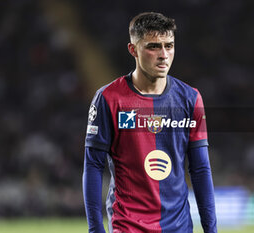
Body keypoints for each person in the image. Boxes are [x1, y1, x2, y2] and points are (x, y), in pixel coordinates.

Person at [83, 12, 217, 233]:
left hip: (178, 227)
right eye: (154, 46)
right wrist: (96, 230)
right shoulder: (108, 99)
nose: (164, 55)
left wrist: (211, 230)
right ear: (133, 49)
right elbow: (93, 165)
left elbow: (200, 168)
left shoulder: (191, 99)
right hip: (128, 226)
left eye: (169, 45)